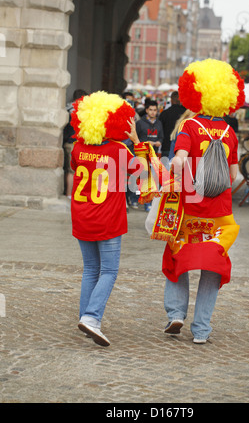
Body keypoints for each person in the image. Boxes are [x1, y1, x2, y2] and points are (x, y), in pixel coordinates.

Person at [154, 59, 243, 344]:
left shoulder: (189, 126)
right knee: (212, 268)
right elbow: (236, 175)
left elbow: (179, 159)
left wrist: (173, 173)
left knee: (177, 258)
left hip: (190, 209)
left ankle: (176, 313)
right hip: (219, 213)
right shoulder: (230, 133)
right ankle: (202, 330)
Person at [69, 90, 149, 346]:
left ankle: (85, 317)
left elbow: (75, 167)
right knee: (109, 271)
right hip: (107, 219)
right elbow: (142, 173)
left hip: (82, 217)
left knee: (90, 270)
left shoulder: (79, 147)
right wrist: (136, 140)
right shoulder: (118, 150)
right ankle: (92, 317)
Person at [136, 100, 164, 212]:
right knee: (142, 178)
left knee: (153, 179)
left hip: (155, 155)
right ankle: (137, 199)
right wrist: (146, 142)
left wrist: (159, 142)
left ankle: (149, 202)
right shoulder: (140, 123)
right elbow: (136, 139)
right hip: (142, 155)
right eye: (151, 110)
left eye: (155, 110)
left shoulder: (159, 123)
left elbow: (162, 136)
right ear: (147, 110)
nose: (153, 112)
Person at [63, 89, 87, 198]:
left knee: (69, 170)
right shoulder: (83, 111)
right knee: (79, 171)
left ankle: (68, 194)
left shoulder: (66, 108)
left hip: (68, 142)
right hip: (78, 144)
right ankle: (74, 194)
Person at [159, 91, 186, 158]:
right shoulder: (186, 113)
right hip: (182, 148)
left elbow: (159, 129)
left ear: (171, 100)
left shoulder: (164, 113)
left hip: (167, 146)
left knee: (166, 168)